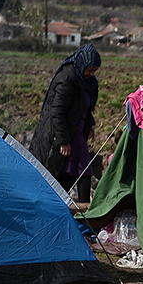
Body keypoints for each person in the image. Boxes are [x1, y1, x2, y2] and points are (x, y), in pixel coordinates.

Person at [30, 44, 100, 201]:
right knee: (82, 167)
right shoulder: (67, 80)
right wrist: (63, 141)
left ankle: (62, 201)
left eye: (94, 71)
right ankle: (84, 207)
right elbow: (57, 112)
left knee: (71, 170)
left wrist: (90, 125)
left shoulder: (88, 82)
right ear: (82, 64)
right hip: (64, 132)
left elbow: (85, 107)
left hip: (77, 129)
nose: (91, 74)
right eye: (89, 70)